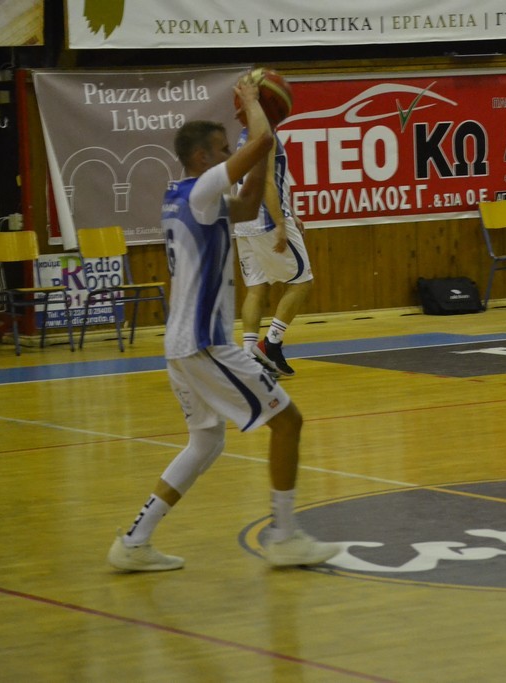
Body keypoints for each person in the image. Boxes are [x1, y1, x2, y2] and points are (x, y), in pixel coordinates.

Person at [107, 78, 340, 572]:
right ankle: (284, 536)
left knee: (206, 443)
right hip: (205, 344)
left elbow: (250, 204)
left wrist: (261, 153)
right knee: (288, 422)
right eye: (221, 149)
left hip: (180, 345)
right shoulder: (201, 189)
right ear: (200, 157)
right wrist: (255, 106)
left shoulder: (185, 196)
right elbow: (261, 141)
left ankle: (133, 542)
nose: (230, 153)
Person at [233, 73, 311, 378]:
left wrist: (291, 211)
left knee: (256, 288)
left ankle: (247, 355)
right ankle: (272, 345)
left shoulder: (244, 135)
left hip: (243, 223)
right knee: (302, 281)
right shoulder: (264, 137)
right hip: (266, 220)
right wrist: (280, 222)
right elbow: (267, 183)